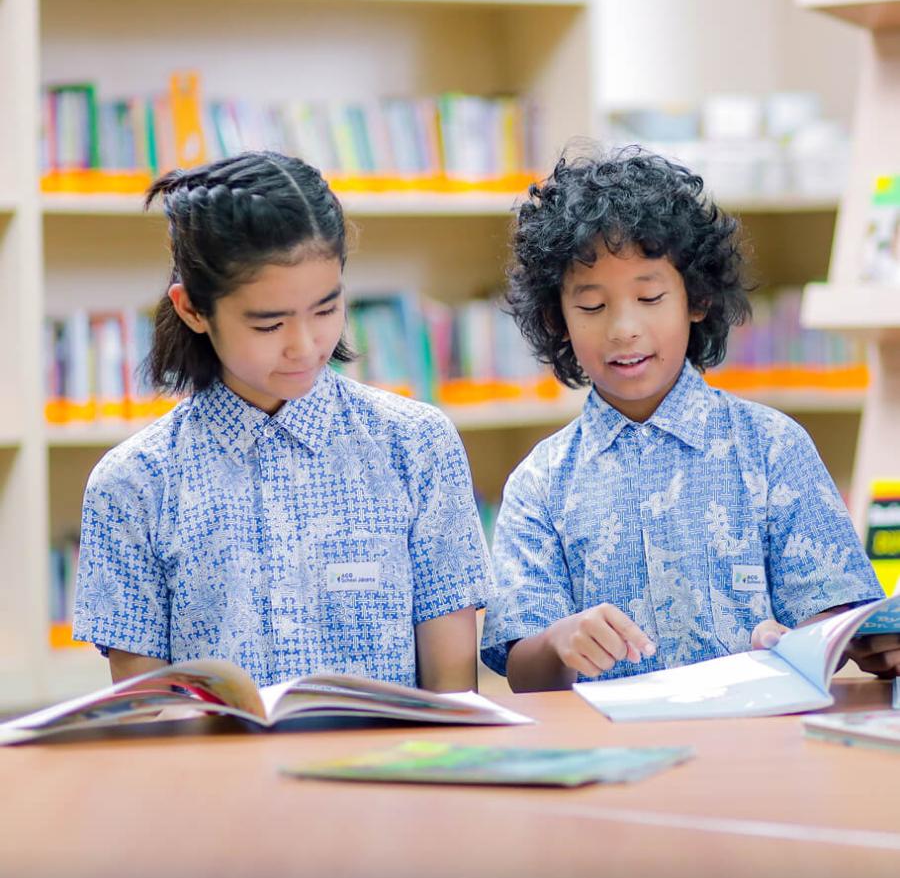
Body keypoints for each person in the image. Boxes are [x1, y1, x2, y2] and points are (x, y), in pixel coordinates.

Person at [480, 148, 900, 690]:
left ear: (696, 299)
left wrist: (805, 643)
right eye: (592, 307)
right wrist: (560, 642)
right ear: (556, 318)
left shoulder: (772, 447)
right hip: (609, 737)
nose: (624, 328)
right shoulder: (540, 483)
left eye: (650, 296)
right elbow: (523, 669)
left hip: (756, 731)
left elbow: (835, 613)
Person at [73, 152, 490, 691]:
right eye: (269, 325)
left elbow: (455, 697)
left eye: (326, 310)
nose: (305, 345)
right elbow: (146, 712)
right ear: (193, 309)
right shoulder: (133, 483)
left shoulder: (416, 445)